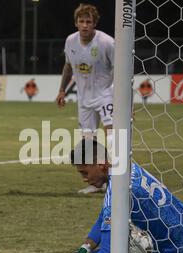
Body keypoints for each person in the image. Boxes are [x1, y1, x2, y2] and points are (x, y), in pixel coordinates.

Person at [37, 139, 183, 253]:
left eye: (85, 172)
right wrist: (82, 251)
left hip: (174, 251)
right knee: (108, 247)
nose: (84, 179)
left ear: (100, 164)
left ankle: (143, 241)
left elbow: (109, 251)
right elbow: (104, 216)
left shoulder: (117, 191)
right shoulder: (126, 166)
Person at [55, 3, 115, 194]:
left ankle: (116, 182)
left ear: (95, 23)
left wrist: (125, 101)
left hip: (106, 94)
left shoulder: (107, 42)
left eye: (89, 21)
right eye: (81, 21)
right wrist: (62, 90)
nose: (85, 25)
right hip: (84, 99)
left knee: (113, 137)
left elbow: (122, 70)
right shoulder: (70, 41)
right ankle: (97, 182)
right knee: (88, 142)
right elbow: (67, 66)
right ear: (76, 23)